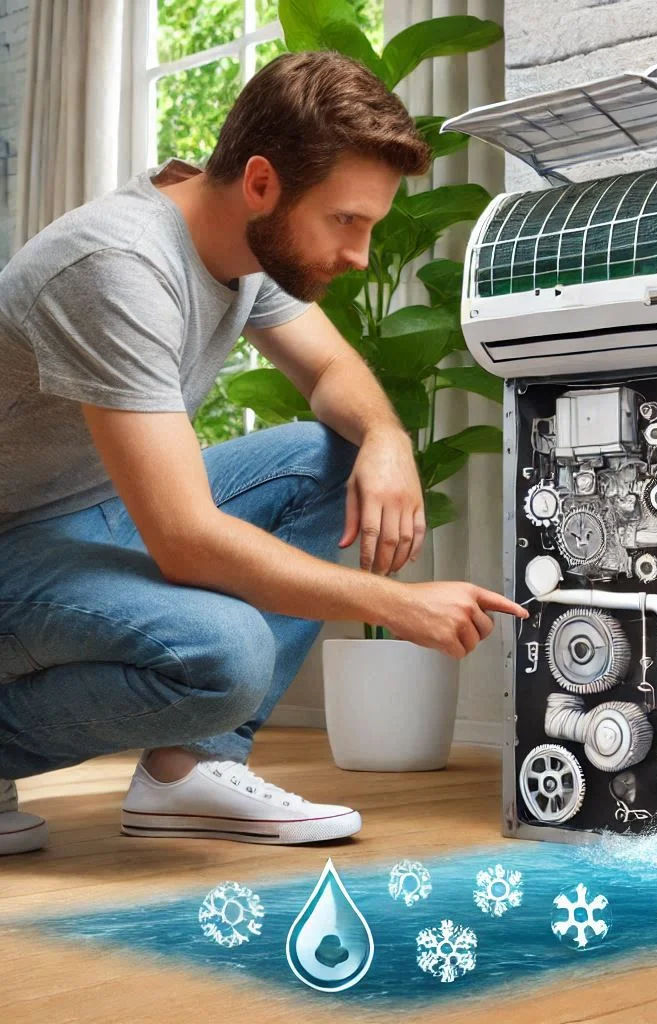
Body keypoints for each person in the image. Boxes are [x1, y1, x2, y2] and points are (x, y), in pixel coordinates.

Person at [0, 51, 527, 856]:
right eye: (345, 221)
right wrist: (396, 603)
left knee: (334, 451)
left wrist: (386, 438)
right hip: (15, 547)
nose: (358, 254)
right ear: (260, 183)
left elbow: (331, 369)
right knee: (226, 652)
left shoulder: (240, 244)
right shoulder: (118, 266)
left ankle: (189, 773)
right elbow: (184, 539)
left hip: (77, 519)